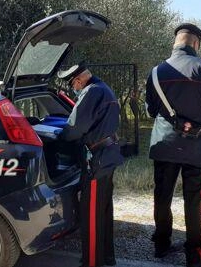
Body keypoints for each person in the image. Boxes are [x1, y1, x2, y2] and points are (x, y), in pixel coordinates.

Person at [145, 23, 201, 267]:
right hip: (197, 146)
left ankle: (161, 246)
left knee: (162, 196)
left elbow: (151, 110)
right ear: (195, 43)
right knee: (193, 200)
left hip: (164, 144)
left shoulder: (155, 72)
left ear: (176, 43)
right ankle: (195, 256)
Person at [57, 63, 125, 267]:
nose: (74, 90)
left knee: (91, 213)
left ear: (78, 80)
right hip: (108, 155)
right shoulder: (103, 88)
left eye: (73, 85)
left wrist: (59, 137)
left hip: (97, 159)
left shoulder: (91, 92)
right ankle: (107, 257)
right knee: (104, 210)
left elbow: (74, 129)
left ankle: (92, 262)